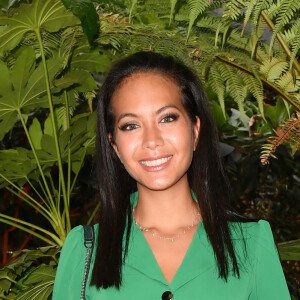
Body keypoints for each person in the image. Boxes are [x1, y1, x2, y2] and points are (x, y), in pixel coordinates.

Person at [53, 51, 290, 299]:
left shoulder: (251, 242)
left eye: (167, 118)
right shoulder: (85, 249)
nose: (151, 141)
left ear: (195, 130)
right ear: (115, 147)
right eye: (131, 126)